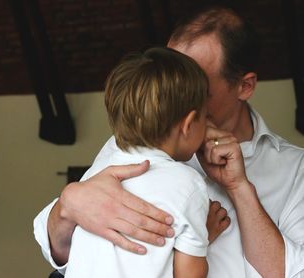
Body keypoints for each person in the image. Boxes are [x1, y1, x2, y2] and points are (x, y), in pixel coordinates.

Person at [34, 6, 304, 278]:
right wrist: (67, 207)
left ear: (245, 86)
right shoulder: (129, 145)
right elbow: (60, 255)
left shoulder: (294, 169)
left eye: (195, 88)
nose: (170, 98)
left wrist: (239, 187)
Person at [63, 46, 210, 277]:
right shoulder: (188, 183)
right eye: (205, 116)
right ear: (188, 124)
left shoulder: (97, 175)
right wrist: (203, 237)